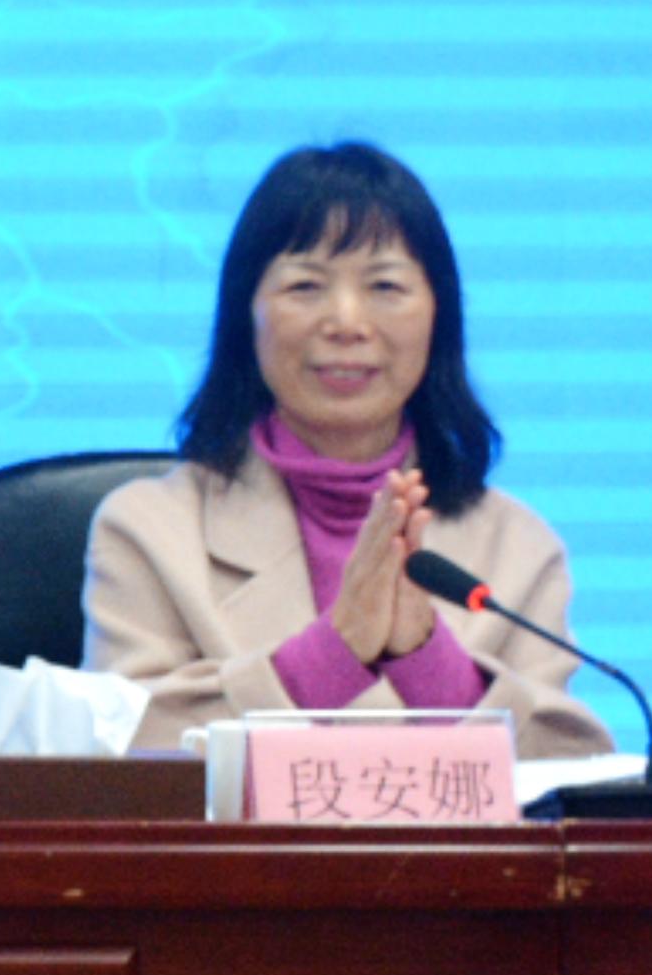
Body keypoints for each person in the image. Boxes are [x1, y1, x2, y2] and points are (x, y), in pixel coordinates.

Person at [85, 139, 615, 762]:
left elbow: (568, 773)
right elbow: (116, 756)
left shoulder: (518, 549)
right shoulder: (147, 532)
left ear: (439, 317)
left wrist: (425, 658)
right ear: (244, 316)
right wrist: (333, 653)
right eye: (305, 285)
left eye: (385, 285)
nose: (346, 322)